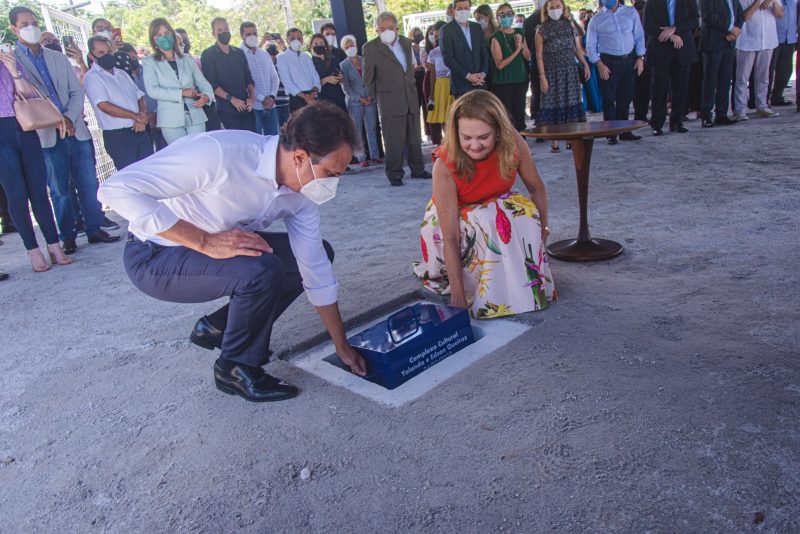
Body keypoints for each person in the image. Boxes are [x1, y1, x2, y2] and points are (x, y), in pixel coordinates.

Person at [98, 102, 368, 402]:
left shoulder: (302, 193)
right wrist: (203, 241)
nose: (332, 184)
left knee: (311, 256)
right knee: (262, 270)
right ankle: (235, 368)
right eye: (329, 173)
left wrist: (340, 344)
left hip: (208, 249)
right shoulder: (220, 154)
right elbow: (115, 190)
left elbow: (314, 265)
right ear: (300, 157)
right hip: (155, 256)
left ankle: (221, 327)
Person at [413, 90, 556, 319]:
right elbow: (450, 237)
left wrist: (542, 233)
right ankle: (488, 289)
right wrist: (458, 295)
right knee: (486, 218)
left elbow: (536, 188)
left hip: (493, 204)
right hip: (449, 222)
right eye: (466, 137)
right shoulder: (444, 165)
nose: (475, 146)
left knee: (523, 213)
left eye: (483, 137)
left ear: (498, 131)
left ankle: (517, 278)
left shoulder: (513, 141)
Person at [11, 6, 120, 254]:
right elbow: (21, 98)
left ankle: (94, 228)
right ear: (13, 28)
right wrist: (56, 121)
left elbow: (76, 91)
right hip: (45, 134)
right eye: (25, 24)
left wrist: (69, 118)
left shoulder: (57, 58)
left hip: (75, 129)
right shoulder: (12, 61)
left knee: (88, 182)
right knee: (59, 189)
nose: (31, 28)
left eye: (34, 22)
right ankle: (68, 235)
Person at [0, 49, 72, 272]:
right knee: (17, 195)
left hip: (25, 126)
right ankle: (33, 250)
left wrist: (13, 71)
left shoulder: (8, 59)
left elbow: (27, 93)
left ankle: (54, 245)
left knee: (39, 191)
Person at [363, 12, 432, 186]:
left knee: (414, 138)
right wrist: (381, 97)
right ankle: (394, 173)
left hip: (410, 97)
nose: (387, 31)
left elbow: (410, 69)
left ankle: (418, 169)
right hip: (389, 101)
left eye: (390, 27)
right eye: (382, 28)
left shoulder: (406, 42)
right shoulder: (371, 48)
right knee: (393, 140)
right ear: (377, 30)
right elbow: (368, 79)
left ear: (396, 27)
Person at [83, 36, 154, 171]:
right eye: (101, 53)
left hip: (139, 129)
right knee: (129, 176)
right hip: (119, 136)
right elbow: (104, 106)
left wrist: (142, 115)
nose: (106, 55)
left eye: (109, 51)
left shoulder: (122, 73)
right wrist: (135, 116)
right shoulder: (92, 77)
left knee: (149, 171)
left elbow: (139, 96)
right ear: (91, 55)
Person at [142, 19, 213, 145]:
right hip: (170, 120)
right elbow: (152, 90)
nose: (164, 37)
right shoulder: (149, 61)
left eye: (167, 33)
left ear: (173, 34)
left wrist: (206, 96)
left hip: (195, 115)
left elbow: (204, 84)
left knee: (199, 151)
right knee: (182, 153)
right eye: (159, 35)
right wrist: (182, 93)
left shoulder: (187, 59)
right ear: (153, 39)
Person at [586, 0, 647, 144]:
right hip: (608, 62)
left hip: (629, 60)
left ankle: (624, 131)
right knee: (608, 99)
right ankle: (611, 133)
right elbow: (590, 45)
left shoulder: (631, 12)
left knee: (625, 98)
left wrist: (640, 57)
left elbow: (639, 36)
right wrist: (599, 64)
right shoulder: (596, 19)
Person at [535, 0, 590, 151]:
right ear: (546, 10)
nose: (555, 10)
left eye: (557, 6)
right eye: (551, 7)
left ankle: (570, 138)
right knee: (552, 103)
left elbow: (576, 49)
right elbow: (539, 56)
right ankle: (554, 141)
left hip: (570, 71)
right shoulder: (541, 30)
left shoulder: (569, 25)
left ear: (563, 8)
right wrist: (542, 76)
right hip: (551, 73)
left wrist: (585, 63)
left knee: (570, 102)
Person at [643, 0, 700, 135]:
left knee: (681, 88)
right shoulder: (652, 2)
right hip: (660, 49)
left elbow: (695, 20)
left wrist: (675, 28)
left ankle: (677, 121)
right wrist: (671, 36)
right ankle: (657, 123)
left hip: (683, 48)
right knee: (659, 88)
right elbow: (648, 24)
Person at [201, 17, 256, 131]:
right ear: (213, 34)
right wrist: (232, 99)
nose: (224, 32)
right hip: (226, 111)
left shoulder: (239, 53)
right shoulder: (208, 55)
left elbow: (249, 79)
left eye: (226, 28)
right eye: (220, 30)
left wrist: (251, 98)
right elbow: (212, 84)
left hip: (246, 108)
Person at [733, 0, 783, 119]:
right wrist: (758, 1)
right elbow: (745, 16)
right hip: (747, 41)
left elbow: (780, 14)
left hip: (767, 39)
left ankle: (762, 106)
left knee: (763, 77)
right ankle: (740, 110)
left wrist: (773, 1)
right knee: (742, 78)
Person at [699, 0, 743, 127]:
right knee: (710, 81)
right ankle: (706, 115)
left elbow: (739, 13)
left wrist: (737, 30)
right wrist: (730, 28)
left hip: (729, 42)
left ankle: (721, 114)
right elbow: (708, 16)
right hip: (713, 42)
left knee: (725, 80)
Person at [339, 35, 382, 167]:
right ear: (344, 49)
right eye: (347, 47)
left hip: (370, 99)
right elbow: (346, 87)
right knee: (357, 130)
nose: (350, 48)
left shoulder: (365, 60)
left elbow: (373, 78)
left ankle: (375, 156)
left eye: (352, 45)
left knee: (372, 128)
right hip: (355, 102)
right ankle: (361, 157)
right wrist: (359, 98)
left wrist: (371, 95)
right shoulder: (343, 65)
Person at [491, 2, 532, 132]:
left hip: (521, 79)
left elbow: (527, 56)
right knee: (508, 115)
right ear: (497, 18)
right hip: (504, 82)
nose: (506, 17)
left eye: (509, 14)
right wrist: (516, 50)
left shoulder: (519, 32)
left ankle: (522, 139)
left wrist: (522, 46)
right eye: (502, 15)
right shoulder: (496, 38)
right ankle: (510, 141)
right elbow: (500, 64)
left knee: (520, 113)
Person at [121, 42, 166, 151]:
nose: (132, 61)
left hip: (162, 118)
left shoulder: (150, 70)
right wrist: (144, 116)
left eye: (133, 57)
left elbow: (164, 91)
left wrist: (155, 113)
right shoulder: (122, 77)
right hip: (140, 123)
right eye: (128, 59)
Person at [440, 0, 490, 97]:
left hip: (480, 82)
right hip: (461, 86)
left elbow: (484, 52)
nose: (463, 11)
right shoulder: (446, 30)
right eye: (460, 9)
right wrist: (468, 76)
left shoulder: (477, 27)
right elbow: (448, 58)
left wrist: (483, 73)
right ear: (453, 10)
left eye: (466, 8)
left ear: (470, 9)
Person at [239, 22, 280, 136]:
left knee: (273, 140)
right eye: (248, 34)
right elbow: (243, 82)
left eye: (255, 33)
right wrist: (262, 98)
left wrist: (272, 97)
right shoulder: (238, 55)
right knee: (255, 141)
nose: (252, 37)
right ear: (242, 35)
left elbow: (274, 77)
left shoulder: (264, 54)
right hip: (253, 108)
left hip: (271, 106)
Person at [276, 28, 321, 112]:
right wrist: (305, 97)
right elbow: (287, 82)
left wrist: (313, 93)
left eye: (299, 38)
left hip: (312, 97)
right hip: (297, 99)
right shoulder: (282, 58)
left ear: (302, 40)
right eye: (293, 39)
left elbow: (315, 75)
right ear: (287, 40)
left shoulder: (306, 56)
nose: (296, 41)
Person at [425, 24, 454, 145]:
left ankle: (454, 142)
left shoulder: (455, 49)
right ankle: (447, 144)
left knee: (453, 117)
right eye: (435, 36)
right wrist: (431, 95)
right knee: (443, 117)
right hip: (440, 87)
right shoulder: (433, 53)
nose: (436, 39)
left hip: (453, 85)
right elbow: (432, 75)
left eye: (439, 36)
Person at [768, 0, 797, 106]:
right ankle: (763, 100)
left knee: (786, 71)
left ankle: (777, 97)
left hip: (790, 37)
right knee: (768, 71)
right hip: (772, 37)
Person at [310, 33, 347, 112]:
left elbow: (342, 77)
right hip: (324, 100)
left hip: (339, 97)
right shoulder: (310, 63)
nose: (319, 45)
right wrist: (326, 79)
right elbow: (311, 86)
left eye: (321, 43)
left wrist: (341, 78)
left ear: (325, 45)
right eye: (316, 44)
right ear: (311, 46)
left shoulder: (333, 59)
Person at [524, 0, 547, 123]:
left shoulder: (555, 18)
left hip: (555, 64)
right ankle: (538, 121)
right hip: (536, 62)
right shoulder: (529, 21)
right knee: (537, 92)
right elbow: (528, 43)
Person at [631, 0, 651, 121]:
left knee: (642, 87)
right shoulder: (630, 12)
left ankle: (641, 114)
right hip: (638, 53)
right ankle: (640, 114)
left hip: (643, 53)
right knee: (641, 87)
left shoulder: (645, 9)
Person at [265, 40, 291, 126]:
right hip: (273, 103)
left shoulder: (282, 63)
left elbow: (290, 59)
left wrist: (283, 46)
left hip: (286, 101)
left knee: (288, 127)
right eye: (270, 53)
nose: (273, 56)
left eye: (274, 53)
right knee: (276, 128)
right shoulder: (265, 66)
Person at [409, 26, 429, 133]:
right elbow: (412, 67)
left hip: (424, 77)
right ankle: (417, 133)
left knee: (426, 106)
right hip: (415, 79)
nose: (418, 36)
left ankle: (428, 131)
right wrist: (421, 66)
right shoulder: (410, 49)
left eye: (419, 34)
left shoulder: (424, 48)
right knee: (416, 107)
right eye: (416, 34)